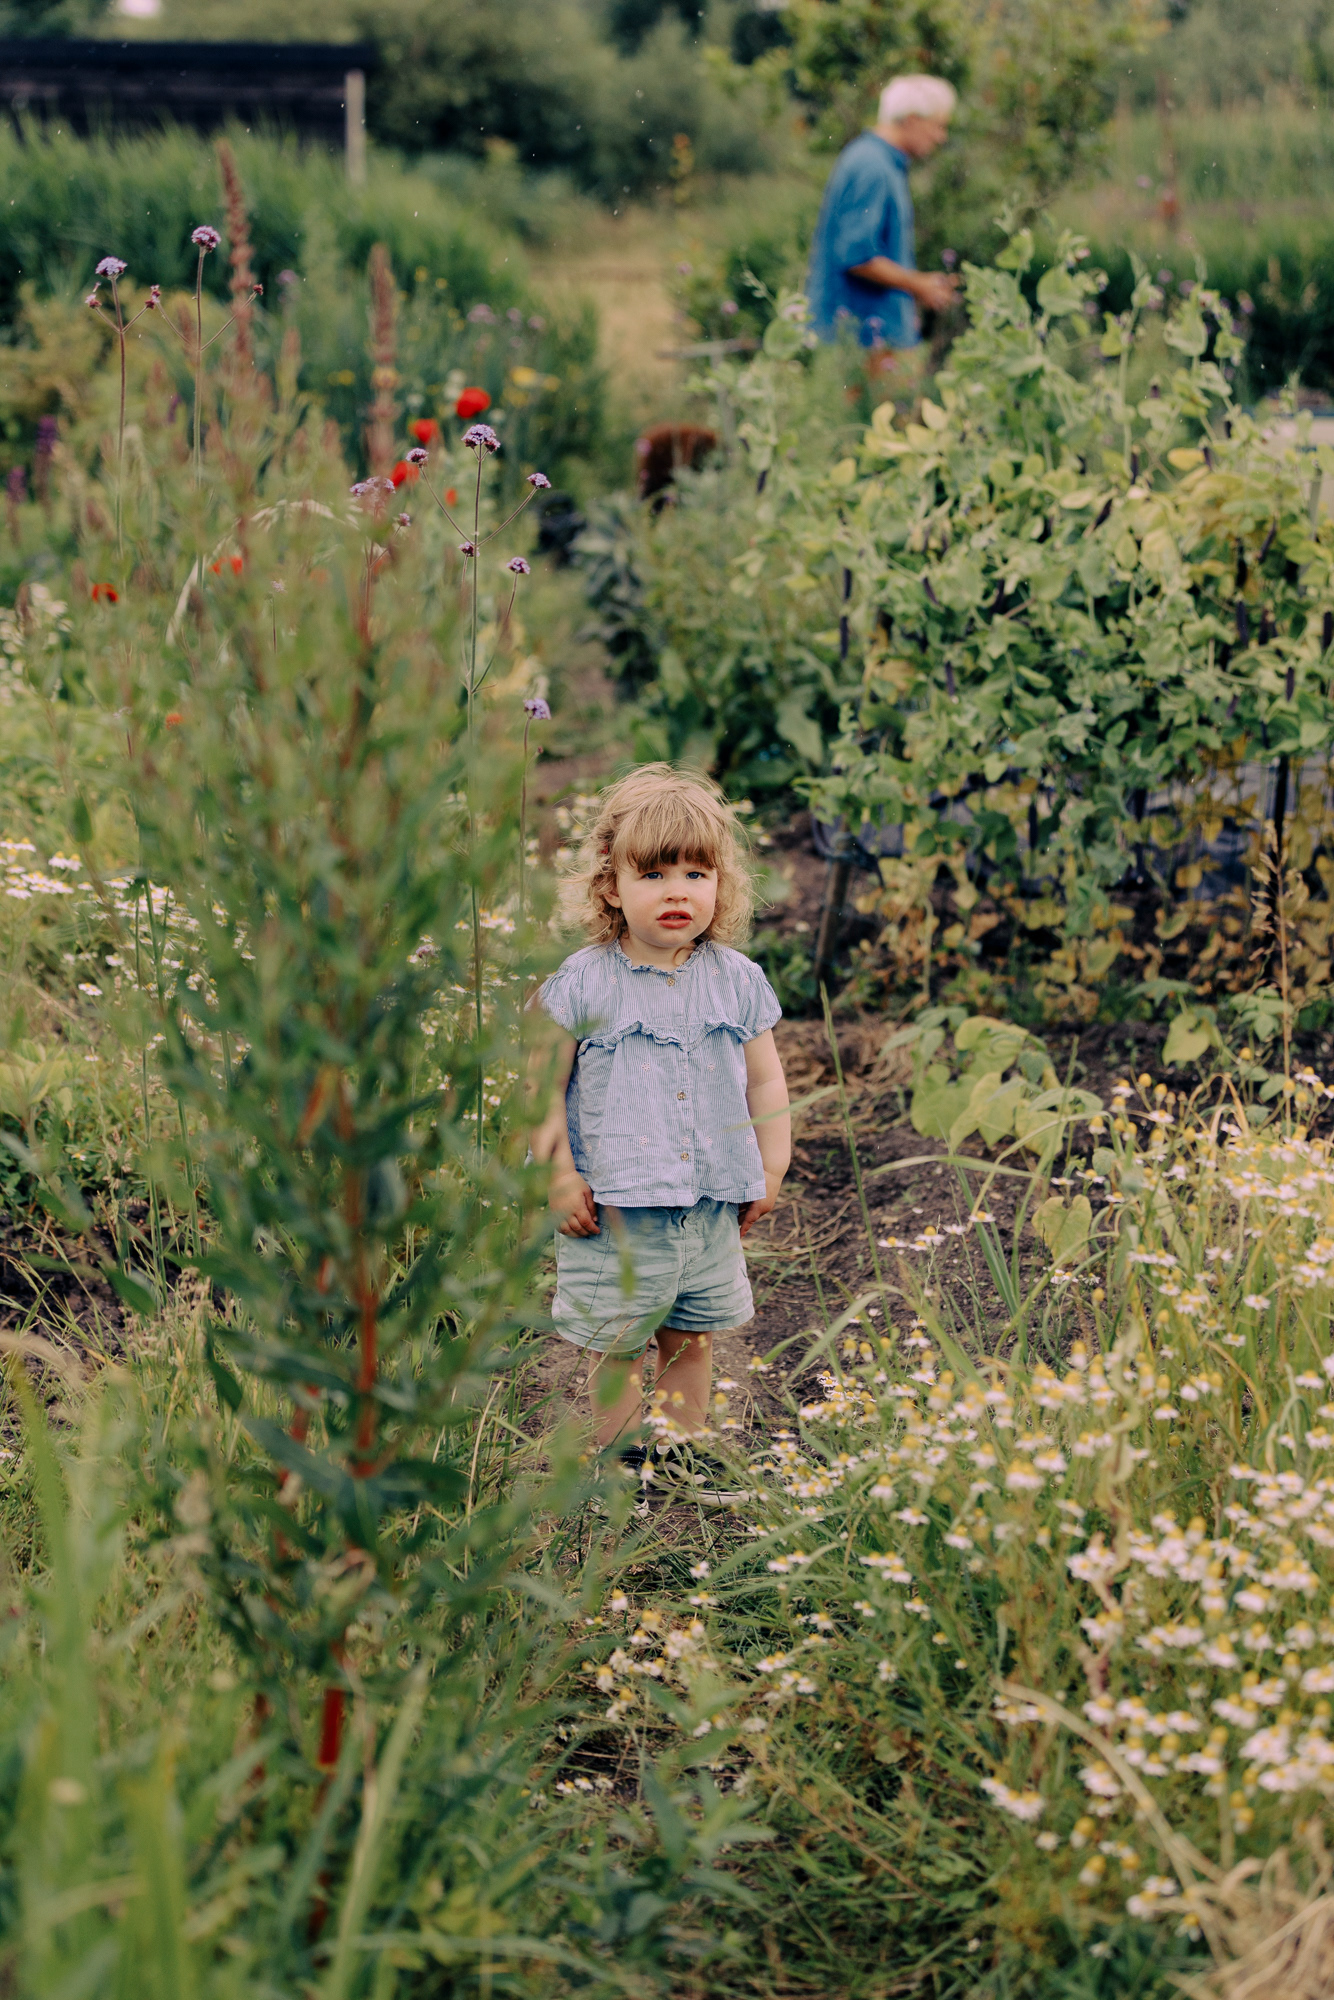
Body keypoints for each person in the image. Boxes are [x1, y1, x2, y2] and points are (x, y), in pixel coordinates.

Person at [529, 765, 791, 1506]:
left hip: (706, 1204)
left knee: (691, 1336)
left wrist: (771, 1166)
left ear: (720, 884)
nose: (678, 892)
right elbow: (540, 1088)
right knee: (617, 1344)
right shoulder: (584, 983)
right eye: (653, 874)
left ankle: (681, 1458)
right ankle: (619, 1464)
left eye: (695, 873)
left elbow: (766, 1082)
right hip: (615, 1208)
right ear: (611, 885)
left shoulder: (737, 979)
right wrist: (556, 1174)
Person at [807, 73, 959, 356]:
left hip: (869, 339)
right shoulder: (873, 166)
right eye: (938, 126)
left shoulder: (880, 162)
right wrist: (918, 284)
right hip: (862, 344)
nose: (941, 137)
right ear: (912, 119)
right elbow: (856, 256)